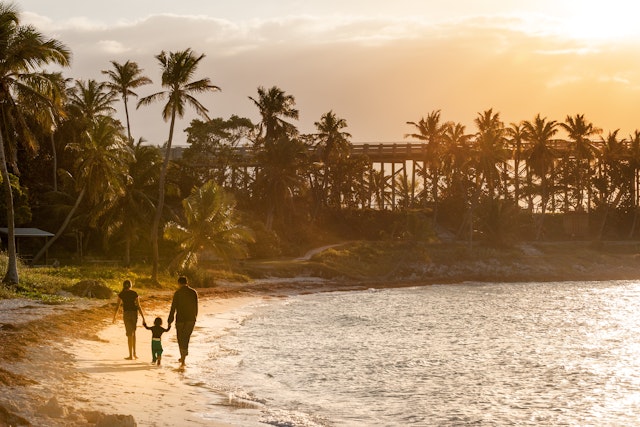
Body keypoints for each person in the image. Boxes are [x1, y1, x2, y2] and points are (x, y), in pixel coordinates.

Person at [167, 276, 198, 366]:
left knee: (180, 338)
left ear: (179, 283)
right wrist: (194, 317)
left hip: (180, 319)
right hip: (191, 319)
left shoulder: (177, 293)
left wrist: (169, 321)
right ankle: (184, 356)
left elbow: (173, 308)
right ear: (187, 282)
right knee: (186, 337)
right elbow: (196, 307)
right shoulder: (193, 292)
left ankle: (183, 356)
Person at [113, 279, 145, 360]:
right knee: (133, 333)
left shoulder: (121, 294)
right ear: (130, 285)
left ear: (123, 285)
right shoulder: (134, 293)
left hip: (126, 314)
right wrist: (143, 317)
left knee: (129, 334)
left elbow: (117, 307)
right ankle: (134, 354)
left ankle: (130, 355)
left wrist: (114, 317)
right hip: (134, 314)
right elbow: (139, 306)